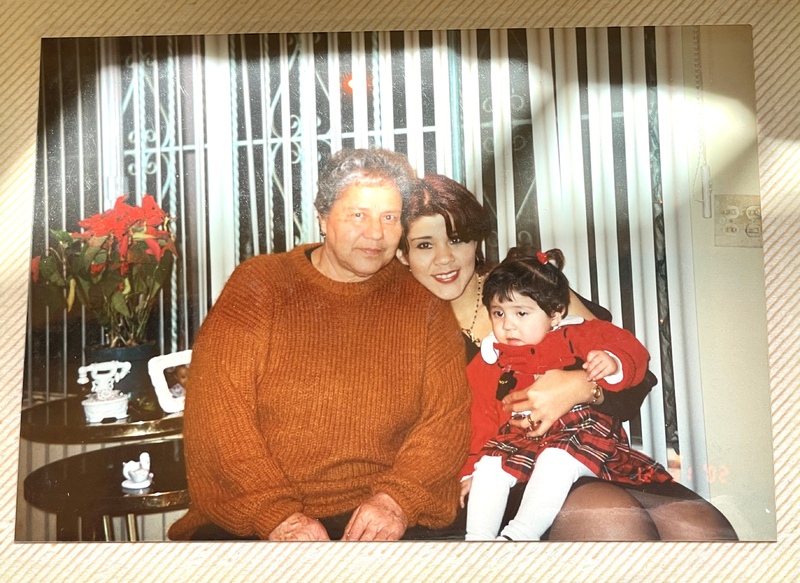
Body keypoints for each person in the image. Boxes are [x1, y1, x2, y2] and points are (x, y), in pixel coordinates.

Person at [397, 173, 738, 540]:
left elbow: (635, 378)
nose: (444, 258)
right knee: (611, 522)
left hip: (580, 447)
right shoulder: (403, 326)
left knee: (703, 529)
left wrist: (580, 386)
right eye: (424, 245)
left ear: (475, 240)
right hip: (493, 478)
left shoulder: (524, 285)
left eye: (457, 239)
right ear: (402, 254)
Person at [168, 148, 471, 541]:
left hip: (383, 516)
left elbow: (445, 421)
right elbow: (219, 417)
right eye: (358, 215)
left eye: (389, 217)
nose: (375, 233)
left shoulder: (423, 301)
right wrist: (278, 517)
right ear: (323, 219)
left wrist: (395, 501)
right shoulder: (260, 284)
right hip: (261, 522)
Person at [462, 247, 673, 540]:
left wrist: (613, 362)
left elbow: (633, 351)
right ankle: (477, 542)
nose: (508, 325)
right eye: (499, 313)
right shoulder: (492, 359)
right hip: (524, 438)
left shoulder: (577, 333)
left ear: (555, 314)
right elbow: (479, 418)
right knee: (489, 466)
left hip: (580, 431)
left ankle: (519, 537)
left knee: (555, 459)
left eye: (521, 313)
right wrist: (470, 470)